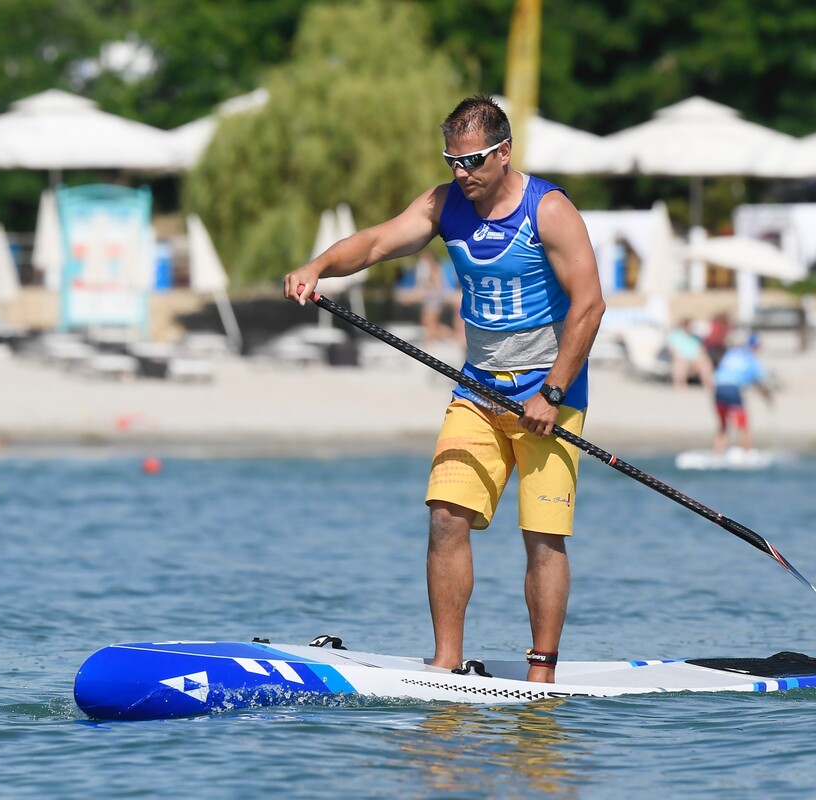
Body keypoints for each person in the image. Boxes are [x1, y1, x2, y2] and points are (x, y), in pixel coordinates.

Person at [284, 95, 604, 683]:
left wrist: (552, 394)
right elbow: (378, 243)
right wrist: (318, 267)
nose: (462, 173)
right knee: (445, 516)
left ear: (504, 152)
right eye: (453, 161)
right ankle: (445, 666)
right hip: (478, 393)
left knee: (543, 537)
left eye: (475, 161)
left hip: (549, 398)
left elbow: (590, 305)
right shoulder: (445, 204)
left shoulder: (550, 210)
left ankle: (542, 676)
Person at [712, 332, 773, 454]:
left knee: (723, 425)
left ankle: (717, 453)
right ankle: (746, 454)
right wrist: (768, 398)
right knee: (743, 426)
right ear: (755, 346)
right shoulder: (753, 361)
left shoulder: (732, 353)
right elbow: (762, 384)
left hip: (717, 389)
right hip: (733, 390)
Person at [666, 318, 714, 391]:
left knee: (705, 363)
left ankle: (708, 386)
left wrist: (701, 357)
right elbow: (672, 350)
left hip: (695, 359)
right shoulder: (675, 336)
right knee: (680, 363)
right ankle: (680, 385)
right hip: (682, 359)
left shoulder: (696, 337)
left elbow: (701, 350)